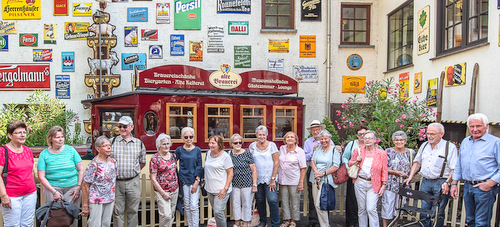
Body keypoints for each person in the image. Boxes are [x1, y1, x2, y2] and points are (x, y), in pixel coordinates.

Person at [451, 113, 500, 227]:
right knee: (470, 221)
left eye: (478, 126)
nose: (475, 129)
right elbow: (459, 164)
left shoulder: (495, 142)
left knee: (481, 223)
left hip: (484, 188)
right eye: (472, 126)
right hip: (468, 186)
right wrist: (454, 183)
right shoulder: (465, 141)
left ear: (486, 126)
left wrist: (489, 184)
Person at [404, 123, 458, 227]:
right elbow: (417, 162)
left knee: (438, 212)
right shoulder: (424, 145)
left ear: (441, 134)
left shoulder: (449, 147)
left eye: (433, 134)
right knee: (423, 210)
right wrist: (410, 177)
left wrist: (448, 182)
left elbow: (454, 169)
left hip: (441, 182)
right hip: (425, 181)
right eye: (428, 133)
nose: (429, 136)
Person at [38, 126, 84, 227]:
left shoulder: (71, 150)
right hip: (52, 189)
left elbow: (81, 169)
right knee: (56, 217)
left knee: (71, 217)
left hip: (72, 189)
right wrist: (54, 192)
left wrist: (78, 186)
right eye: (57, 137)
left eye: (62, 137)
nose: (60, 139)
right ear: (51, 139)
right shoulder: (44, 154)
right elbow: (41, 176)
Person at [111, 116, 146, 227]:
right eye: (120, 126)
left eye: (125, 126)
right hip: (117, 182)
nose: (122, 129)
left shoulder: (139, 143)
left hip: (133, 181)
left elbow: (142, 162)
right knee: (117, 212)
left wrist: (132, 172)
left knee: (133, 211)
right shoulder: (111, 142)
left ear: (131, 127)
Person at [0, 121, 37, 227]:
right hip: (12, 196)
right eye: (18, 132)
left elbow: (31, 171)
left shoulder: (27, 150)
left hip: (30, 194)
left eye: (24, 132)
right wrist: (3, 195)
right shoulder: (3, 151)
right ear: (10, 135)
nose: (22, 135)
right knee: (12, 224)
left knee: (28, 223)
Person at [348, 130, 388, 227]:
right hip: (360, 182)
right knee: (361, 209)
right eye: (365, 138)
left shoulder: (381, 153)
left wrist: (384, 185)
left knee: (371, 209)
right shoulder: (358, 151)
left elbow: (384, 170)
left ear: (375, 140)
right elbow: (350, 163)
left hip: (374, 184)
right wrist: (356, 161)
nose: (367, 140)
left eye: (370, 138)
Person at [80, 136, 117, 226]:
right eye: (105, 145)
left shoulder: (113, 162)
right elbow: (85, 185)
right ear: (98, 149)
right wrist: (85, 205)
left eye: (109, 145)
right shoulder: (94, 164)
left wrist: (113, 199)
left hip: (109, 198)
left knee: (106, 224)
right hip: (96, 199)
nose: (109, 148)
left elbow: (113, 182)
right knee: (95, 224)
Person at [381, 131, 415, 227]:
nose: (399, 142)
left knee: (399, 207)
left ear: (405, 141)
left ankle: (395, 225)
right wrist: (396, 173)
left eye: (401, 140)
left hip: (404, 184)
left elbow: (414, 166)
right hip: (390, 183)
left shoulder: (411, 152)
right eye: (396, 140)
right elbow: (383, 167)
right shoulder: (388, 151)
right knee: (387, 206)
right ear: (393, 141)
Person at [249, 125, 280, 227]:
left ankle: (275, 223)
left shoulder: (272, 145)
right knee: (260, 200)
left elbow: (276, 162)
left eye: (263, 134)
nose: (262, 136)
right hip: (257, 178)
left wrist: (273, 179)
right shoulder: (252, 146)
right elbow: (250, 161)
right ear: (256, 135)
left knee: (272, 200)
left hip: (269, 178)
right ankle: (263, 221)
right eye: (259, 134)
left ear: (267, 135)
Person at [309, 129, 341, 227]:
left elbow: (336, 166)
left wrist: (322, 174)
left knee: (320, 205)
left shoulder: (334, 150)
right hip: (315, 179)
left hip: (326, 180)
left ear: (330, 139)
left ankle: (325, 225)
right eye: (321, 139)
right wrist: (316, 172)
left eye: (326, 138)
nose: (323, 141)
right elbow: (312, 160)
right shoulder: (318, 148)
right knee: (317, 205)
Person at [175, 127, 203, 227]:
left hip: (194, 180)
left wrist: (197, 180)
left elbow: (199, 166)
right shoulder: (179, 150)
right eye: (186, 137)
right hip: (183, 180)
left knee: (194, 206)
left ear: (193, 137)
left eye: (191, 137)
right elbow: (173, 164)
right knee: (187, 205)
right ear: (182, 138)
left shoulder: (197, 150)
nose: (188, 139)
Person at [150, 133, 179, 227]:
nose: (167, 146)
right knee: (166, 215)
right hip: (162, 191)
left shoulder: (173, 156)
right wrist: (163, 193)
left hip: (174, 189)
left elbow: (174, 171)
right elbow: (153, 179)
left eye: (168, 143)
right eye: (164, 144)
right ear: (159, 146)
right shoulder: (155, 159)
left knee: (171, 215)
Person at [341, 124, 367, 227]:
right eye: (360, 134)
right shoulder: (352, 144)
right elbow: (344, 157)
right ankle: (351, 222)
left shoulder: (371, 144)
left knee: (365, 201)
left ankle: (364, 223)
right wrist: (348, 168)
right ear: (357, 135)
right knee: (352, 199)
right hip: (354, 175)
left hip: (367, 177)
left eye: (364, 134)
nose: (362, 136)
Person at [279, 131, 306, 227]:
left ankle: (293, 220)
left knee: (295, 201)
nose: (290, 139)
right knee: (284, 201)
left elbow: (303, 168)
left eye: (292, 137)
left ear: (296, 140)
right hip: (282, 180)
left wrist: (301, 182)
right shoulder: (282, 149)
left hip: (294, 180)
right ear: (285, 140)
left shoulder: (300, 151)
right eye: (287, 137)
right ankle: (286, 220)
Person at [205, 135, 233, 227]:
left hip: (221, 190)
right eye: (210, 143)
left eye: (213, 143)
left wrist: (225, 189)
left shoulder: (225, 156)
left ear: (219, 144)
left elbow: (230, 174)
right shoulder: (208, 153)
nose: (210, 145)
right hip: (210, 189)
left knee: (218, 212)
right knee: (217, 212)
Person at [229, 133, 257, 227]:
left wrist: (254, 184)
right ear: (231, 144)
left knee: (246, 204)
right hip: (234, 183)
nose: (238, 144)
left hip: (247, 183)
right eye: (235, 142)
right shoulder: (229, 154)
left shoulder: (247, 154)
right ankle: (237, 222)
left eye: (240, 142)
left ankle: (245, 223)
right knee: (235, 204)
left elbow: (253, 170)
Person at [303, 120, 326, 226]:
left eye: (317, 129)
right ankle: (313, 220)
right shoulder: (308, 142)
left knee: (324, 196)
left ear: (321, 130)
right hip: (312, 170)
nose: (316, 132)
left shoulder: (327, 140)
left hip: (325, 172)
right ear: (311, 131)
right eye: (313, 130)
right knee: (312, 197)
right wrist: (313, 150)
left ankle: (325, 221)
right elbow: (305, 157)